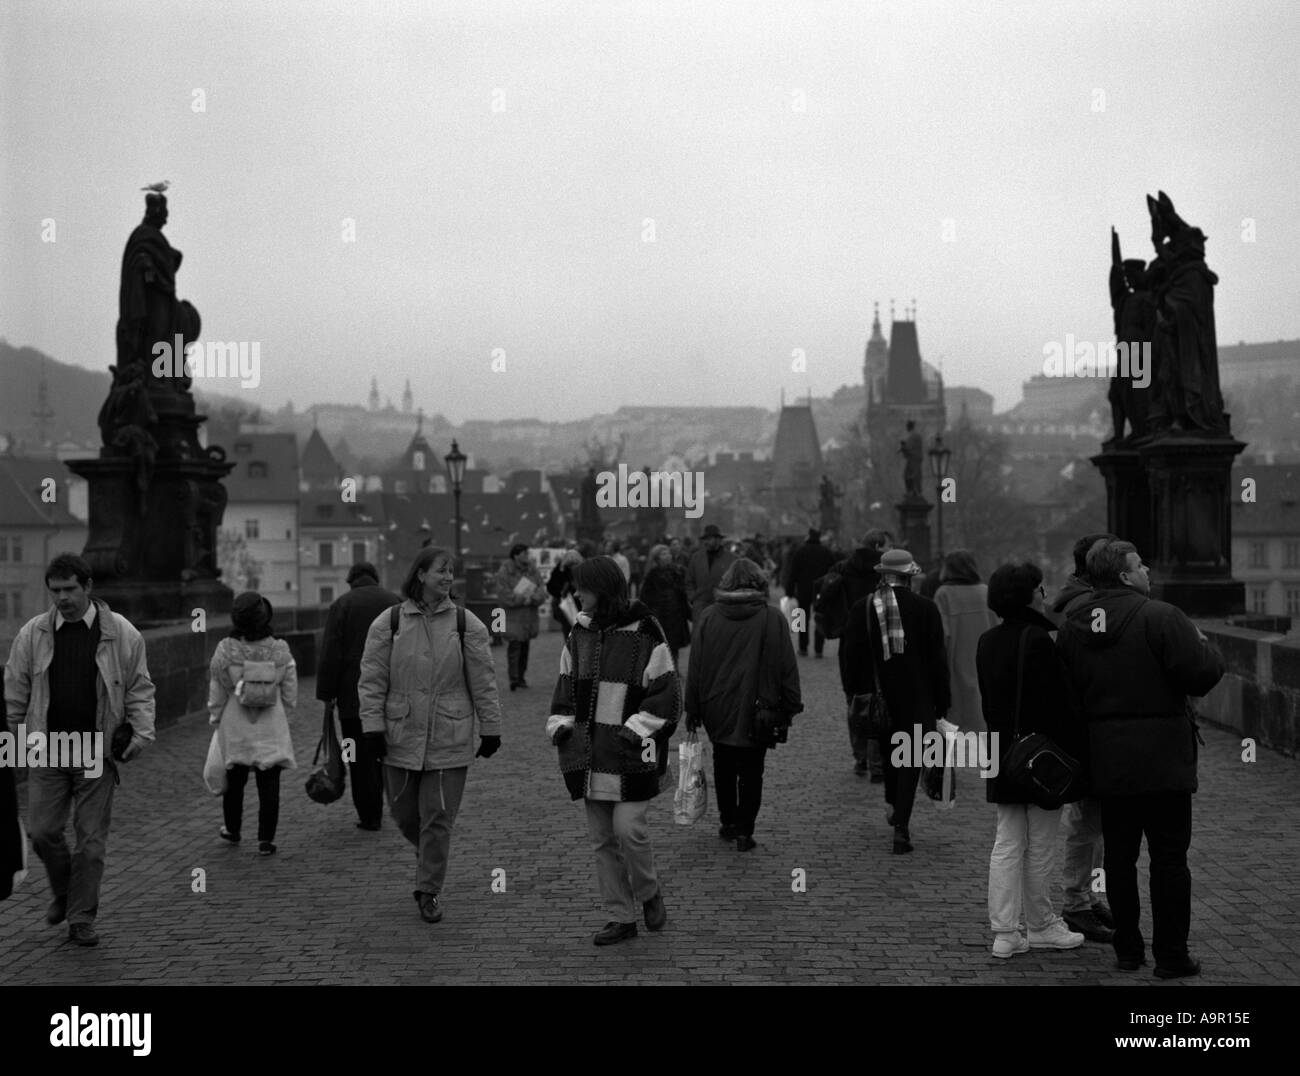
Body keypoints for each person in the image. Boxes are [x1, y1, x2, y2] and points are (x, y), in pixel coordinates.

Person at [1056, 539, 1224, 978]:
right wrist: (1208, 647)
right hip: (1164, 760)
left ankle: (1127, 950)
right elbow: (1202, 674)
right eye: (1140, 565)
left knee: (1119, 859)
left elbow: (1067, 696)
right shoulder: (1162, 617)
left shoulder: (1074, 623)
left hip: (1108, 761)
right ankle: (1171, 955)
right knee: (1170, 859)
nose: (1147, 569)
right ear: (1125, 576)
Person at [3, 553, 155, 947]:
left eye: (70, 589)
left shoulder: (121, 633)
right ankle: (65, 892)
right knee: (42, 832)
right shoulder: (33, 634)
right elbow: (15, 695)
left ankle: (81, 918)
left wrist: (140, 735)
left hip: (94, 751)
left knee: (90, 843)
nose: (62, 598)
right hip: (47, 750)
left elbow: (139, 688)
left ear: (88, 587)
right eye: (55, 591)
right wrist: (16, 746)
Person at [358, 546, 503, 925]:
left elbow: (484, 682)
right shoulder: (387, 623)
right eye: (441, 571)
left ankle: (428, 890)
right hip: (399, 733)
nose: (448, 578)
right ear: (420, 575)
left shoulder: (465, 624)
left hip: (449, 733)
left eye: (451, 572)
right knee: (405, 816)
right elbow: (371, 681)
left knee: (437, 817)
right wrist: (371, 725)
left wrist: (490, 727)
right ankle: (429, 858)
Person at [545, 556, 680, 946]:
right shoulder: (580, 631)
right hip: (590, 757)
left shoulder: (646, 630)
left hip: (632, 756)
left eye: (582, 586)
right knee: (603, 841)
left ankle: (649, 892)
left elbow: (667, 694)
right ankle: (621, 917)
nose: (576, 593)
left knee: (629, 831)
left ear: (602, 588)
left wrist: (635, 731)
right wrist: (561, 726)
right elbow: (565, 686)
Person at [977, 561, 1086, 958]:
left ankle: (1004, 932)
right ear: (1029, 595)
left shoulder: (986, 641)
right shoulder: (1041, 639)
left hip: (1002, 752)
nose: (1045, 594)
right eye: (1040, 588)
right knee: (1040, 845)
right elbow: (1061, 706)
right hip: (1040, 757)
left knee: (1006, 843)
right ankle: (1040, 924)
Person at [686, 559, 801, 851]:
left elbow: (696, 666)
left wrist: (693, 708)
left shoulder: (709, 617)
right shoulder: (772, 618)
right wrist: (790, 705)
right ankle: (745, 829)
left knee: (723, 763)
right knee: (752, 770)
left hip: (716, 704)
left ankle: (728, 822)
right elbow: (787, 666)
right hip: (758, 708)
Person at [842, 548, 949, 854]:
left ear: (882, 575)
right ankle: (901, 825)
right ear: (910, 577)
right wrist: (942, 700)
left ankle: (891, 803)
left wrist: (855, 693)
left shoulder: (863, 607)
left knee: (889, 754)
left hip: (879, 696)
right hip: (917, 695)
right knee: (911, 759)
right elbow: (937, 661)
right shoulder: (926, 609)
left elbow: (852, 657)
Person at [1047, 531, 1118, 943]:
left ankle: (1090, 896)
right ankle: (1076, 902)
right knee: (1087, 821)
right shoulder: (1083, 606)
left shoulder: (1073, 598)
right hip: (1087, 727)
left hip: (1089, 725)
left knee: (1095, 821)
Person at [208, 592, 297, 856]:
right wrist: (284, 714)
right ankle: (265, 839)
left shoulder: (225, 650)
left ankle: (233, 829)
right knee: (269, 784)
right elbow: (290, 694)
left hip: (235, 724)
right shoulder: (280, 651)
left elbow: (217, 693)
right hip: (271, 725)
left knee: (234, 781)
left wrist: (216, 717)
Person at [316, 562, 401, 830]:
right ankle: (400, 806)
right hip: (391, 691)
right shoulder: (395, 602)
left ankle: (369, 814)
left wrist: (327, 694)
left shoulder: (342, 604)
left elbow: (331, 652)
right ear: (375, 578)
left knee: (356, 756)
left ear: (351, 580)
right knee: (390, 752)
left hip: (352, 697)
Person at [817, 528, 892, 778]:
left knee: (856, 699)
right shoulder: (887, 571)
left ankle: (860, 757)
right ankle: (878, 759)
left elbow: (823, 597)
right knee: (881, 698)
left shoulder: (842, 567)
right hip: (882, 639)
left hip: (850, 641)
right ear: (879, 545)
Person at [933, 550, 999, 733]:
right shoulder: (986, 592)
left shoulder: (944, 595)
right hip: (984, 669)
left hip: (956, 671)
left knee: (957, 731)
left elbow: (941, 638)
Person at [493, 543, 546, 690]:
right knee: (514, 646)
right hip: (512, 616)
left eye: (527, 554)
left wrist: (534, 598)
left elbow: (541, 589)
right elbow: (503, 594)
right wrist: (523, 599)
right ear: (516, 555)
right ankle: (514, 679)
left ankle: (521, 677)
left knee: (524, 647)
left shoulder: (533, 570)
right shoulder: (504, 571)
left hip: (528, 616)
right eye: (524, 554)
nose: (527, 556)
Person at [783, 528, 836, 658]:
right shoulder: (826, 552)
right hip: (821, 591)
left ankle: (803, 647)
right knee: (819, 618)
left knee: (801, 618)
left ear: (808, 537)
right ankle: (819, 649)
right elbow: (833, 573)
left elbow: (792, 573)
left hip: (803, 590)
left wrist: (789, 591)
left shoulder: (800, 552)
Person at [639, 544, 692, 664]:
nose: (668, 556)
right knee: (660, 648)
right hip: (660, 616)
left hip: (676, 616)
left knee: (674, 649)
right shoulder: (652, 575)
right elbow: (645, 597)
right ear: (657, 558)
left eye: (668, 553)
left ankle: (674, 674)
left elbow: (684, 593)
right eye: (663, 554)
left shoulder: (678, 571)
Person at [686, 524, 736, 624]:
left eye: (710, 538)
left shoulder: (731, 558)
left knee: (719, 634)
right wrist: (692, 597)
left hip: (722, 604)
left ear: (718, 540)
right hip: (700, 604)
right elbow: (689, 580)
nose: (707, 541)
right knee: (699, 635)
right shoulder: (696, 557)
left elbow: (735, 580)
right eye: (706, 539)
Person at [546, 547, 583, 636]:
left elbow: (551, 587)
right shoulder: (581, 570)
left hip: (567, 605)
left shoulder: (560, 570)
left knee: (569, 632)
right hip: (572, 605)